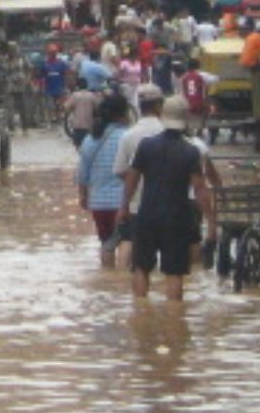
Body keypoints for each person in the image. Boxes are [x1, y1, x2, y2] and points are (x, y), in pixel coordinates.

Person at [118, 96, 216, 302]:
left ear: (163, 116)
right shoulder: (190, 151)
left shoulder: (146, 146)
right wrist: (212, 224)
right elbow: (200, 189)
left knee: (141, 267)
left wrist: (124, 207)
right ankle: (175, 321)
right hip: (177, 217)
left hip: (147, 214)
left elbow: (132, 180)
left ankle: (141, 313)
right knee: (174, 272)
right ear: (186, 119)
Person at [76, 92, 131, 268]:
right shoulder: (128, 137)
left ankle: (107, 281)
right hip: (125, 202)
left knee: (106, 244)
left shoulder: (90, 139)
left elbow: (82, 174)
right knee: (126, 241)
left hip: (99, 203)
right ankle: (123, 284)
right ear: (123, 114)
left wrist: (84, 197)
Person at [61, 82, 101, 149]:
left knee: (78, 146)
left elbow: (66, 107)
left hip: (78, 126)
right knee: (89, 146)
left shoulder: (75, 95)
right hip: (89, 125)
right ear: (87, 86)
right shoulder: (92, 95)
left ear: (78, 87)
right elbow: (97, 107)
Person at [179, 57, 212, 135]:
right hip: (199, 104)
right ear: (198, 66)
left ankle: (187, 131)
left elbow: (181, 92)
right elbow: (215, 80)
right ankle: (200, 130)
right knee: (206, 111)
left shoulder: (183, 77)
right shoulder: (202, 76)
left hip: (187, 104)